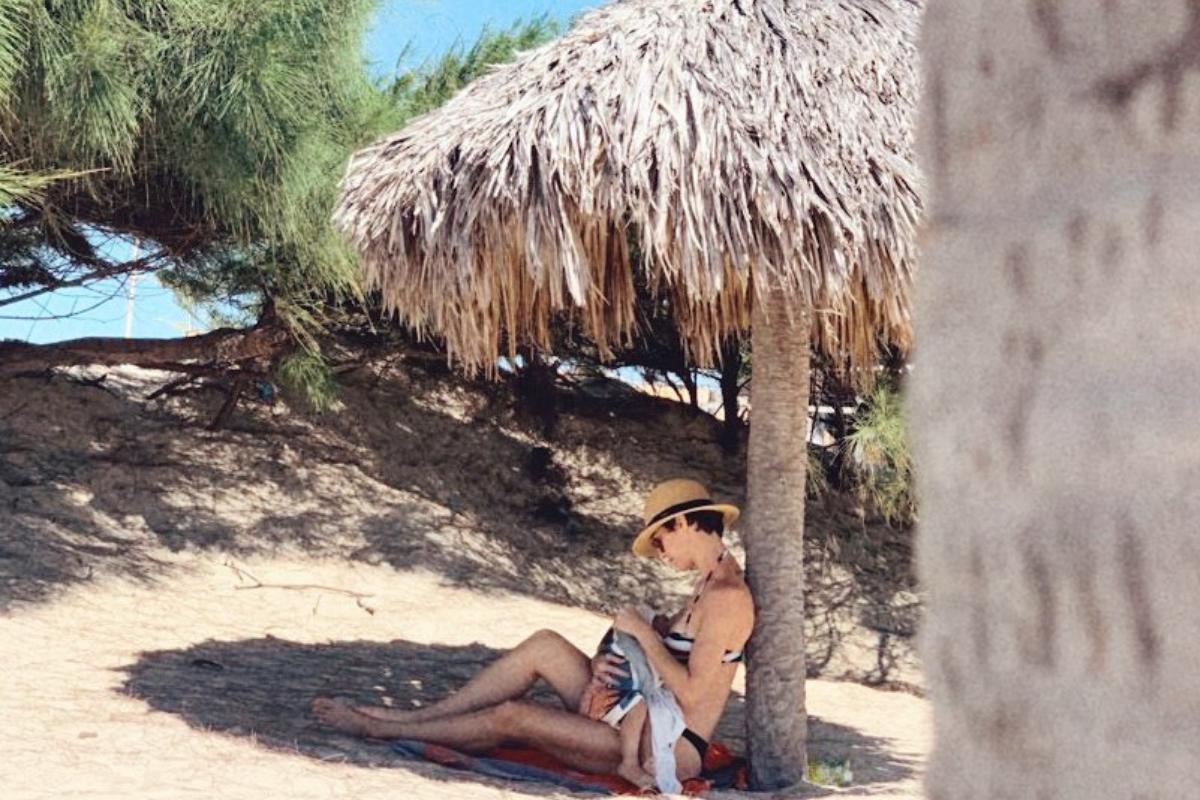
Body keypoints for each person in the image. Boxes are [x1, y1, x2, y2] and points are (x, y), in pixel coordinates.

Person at [311, 478, 755, 787]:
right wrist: (608, 661)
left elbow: (692, 693)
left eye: (659, 540)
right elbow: (661, 654)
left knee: (513, 715)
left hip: (664, 747)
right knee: (545, 645)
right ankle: (416, 718)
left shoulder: (726, 596)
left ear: (683, 524)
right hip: (639, 714)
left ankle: (382, 729)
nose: (659, 552)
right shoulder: (706, 584)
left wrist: (643, 632)